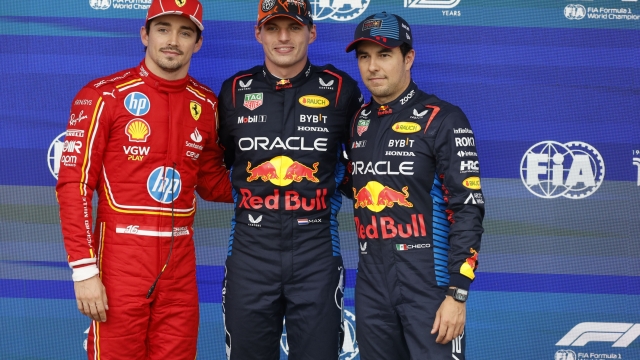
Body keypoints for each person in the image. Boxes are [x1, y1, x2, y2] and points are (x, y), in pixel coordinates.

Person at [56, 0, 232, 358]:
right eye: (163, 29)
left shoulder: (207, 104)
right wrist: (84, 270)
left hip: (180, 264)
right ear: (144, 34)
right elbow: (73, 185)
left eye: (185, 32)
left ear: (197, 43)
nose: (173, 40)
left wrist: (275, 180)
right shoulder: (104, 95)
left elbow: (213, 183)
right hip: (119, 261)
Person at [216, 1, 363, 359]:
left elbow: (361, 164)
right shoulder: (234, 91)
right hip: (250, 254)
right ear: (258, 34)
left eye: (294, 28)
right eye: (273, 28)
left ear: (312, 32)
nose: (283, 37)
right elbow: (219, 165)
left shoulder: (341, 89)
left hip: (316, 255)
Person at [345, 12, 485, 360]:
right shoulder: (359, 120)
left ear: (408, 58)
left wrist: (457, 294)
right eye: (364, 56)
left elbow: (467, 209)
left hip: (430, 286)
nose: (373, 66)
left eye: (384, 54)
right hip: (372, 286)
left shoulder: (444, 118)